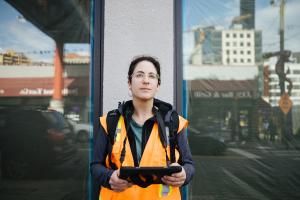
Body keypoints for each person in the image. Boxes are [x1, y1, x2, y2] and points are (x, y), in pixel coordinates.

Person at [90, 55, 195, 200]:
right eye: (139, 75)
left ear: (157, 84)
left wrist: (185, 174)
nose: (146, 80)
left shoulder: (173, 122)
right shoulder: (110, 122)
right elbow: (95, 165)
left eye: (152, 76)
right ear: (129, 82)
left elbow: (189, 164)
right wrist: (109, 177)